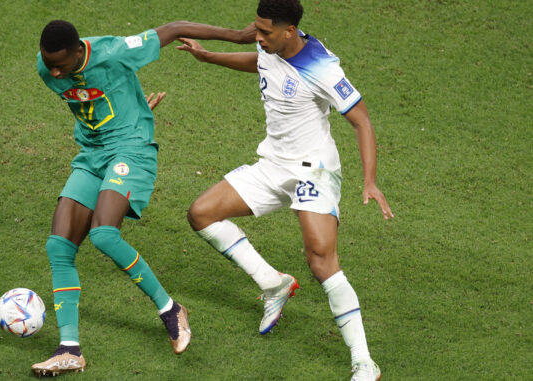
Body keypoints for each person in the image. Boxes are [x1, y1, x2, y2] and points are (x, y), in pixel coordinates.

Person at [177, 1, 393, 380]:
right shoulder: (268, 48)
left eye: (264, 32)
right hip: (272, 165)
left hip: (314, 171)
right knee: (202, 213)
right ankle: (272, 284)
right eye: (255, 30)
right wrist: (208, 57)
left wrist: (370, 181)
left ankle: (364, 362)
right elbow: (259, 63)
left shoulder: (322, 66)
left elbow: (362, 121)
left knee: (320, 259)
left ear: (290, 30)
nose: (255, 37)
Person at [32, 20, 255, 376]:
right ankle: (69, 349)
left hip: (131, 151)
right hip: (92, 153)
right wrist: (130, 105)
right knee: (58, 247)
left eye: (62, 64)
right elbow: (94, 99)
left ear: (78, 52)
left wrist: (239, 36)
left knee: (104, 234)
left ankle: (170, 309)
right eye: (48, 62)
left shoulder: (112, 51)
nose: (54, 71)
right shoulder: (47, 68)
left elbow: (172, 28)